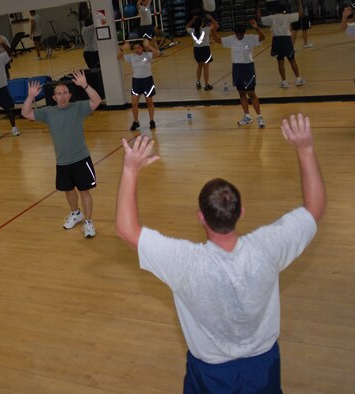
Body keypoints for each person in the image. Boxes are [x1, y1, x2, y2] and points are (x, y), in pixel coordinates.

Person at [116, 113, 326, 393]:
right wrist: (305, 148)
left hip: (210, 373)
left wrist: (130, 170)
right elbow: (314, 209)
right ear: (240, 212)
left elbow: (127, 230)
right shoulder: (268, 247)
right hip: (263, 365)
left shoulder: (184, 262)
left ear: (201, 217)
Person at [21, 70, 102, 238]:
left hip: (81, 159)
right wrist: (30, 97)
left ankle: (88, 222)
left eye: (65, 93)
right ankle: (75, 213)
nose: (62, 96)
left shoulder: (78, 108)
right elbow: (25, 113)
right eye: (59, 94)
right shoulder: (48, 112)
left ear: (70, 95)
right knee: (68, 191)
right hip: (62, 162)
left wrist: (85, 85)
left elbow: (96, 101)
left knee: (84, 191)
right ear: (54, 97)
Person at [212, 20, 266, 128]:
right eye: (237, 34)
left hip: (248, 68)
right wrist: (213, 31)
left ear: (244, 33)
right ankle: (247, 116)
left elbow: (262, 38)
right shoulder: (232, 39)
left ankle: (259, 117)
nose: (239, 36)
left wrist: (257, 28)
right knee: (241, 93)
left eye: (240, 34)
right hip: (236, 68)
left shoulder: (250, 38)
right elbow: (217, 40)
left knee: (251, 93)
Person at [257, 3, 306, 88]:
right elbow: (300, 13)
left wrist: (258, 8)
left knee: (280, 61)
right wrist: (299, 3)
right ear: (284, 10)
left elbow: (259, 18)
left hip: (277, 41)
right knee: (292, 60)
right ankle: (298, 80)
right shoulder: (287, 16)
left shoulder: (271, 18)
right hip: (286, 40)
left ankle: (284, 82)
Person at [118, 39, 161, 131]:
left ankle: (152, 121)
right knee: (134, 104)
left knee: (149, 103)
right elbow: (119, 57)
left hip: (147, 81)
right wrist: (123, 49)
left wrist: (149, 46)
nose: (137, 50)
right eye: (134, 48)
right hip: (136, 82)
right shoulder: (131, 57)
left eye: (138, 48)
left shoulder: (147, 56)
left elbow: (157, 54)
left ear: (142, 48)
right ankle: (136, 122)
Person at [186, 15, 218, 90]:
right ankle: (206, 85)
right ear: (202, 23)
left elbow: (187, 27)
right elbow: (216, 25)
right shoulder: (206, 30)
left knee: (199, 66)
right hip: (205, 50)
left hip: (196, 50)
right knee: (206, 68)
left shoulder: (192, 31)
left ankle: (198, 82)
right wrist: (211, 18)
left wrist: (192, 21)